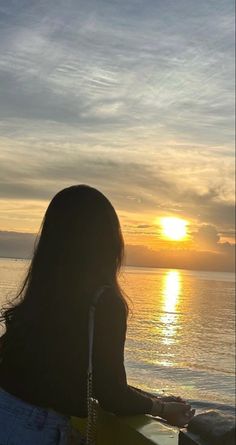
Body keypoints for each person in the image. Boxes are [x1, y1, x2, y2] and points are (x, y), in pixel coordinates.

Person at [0, 185, 195, 444]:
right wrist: (162, 410)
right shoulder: (102, 301)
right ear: (108, 240)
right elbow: (111, 394)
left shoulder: (43, 293)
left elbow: (72, 373)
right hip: (33, 428)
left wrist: (153, 399)